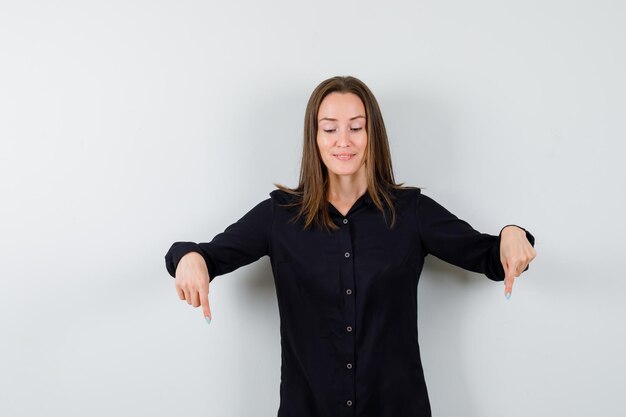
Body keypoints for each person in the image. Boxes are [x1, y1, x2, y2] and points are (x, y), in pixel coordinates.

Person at [164, 75, 537, 417]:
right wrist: (189, 258)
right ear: (315, 137)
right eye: (330, 129)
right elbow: (202, 255)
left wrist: (512, 234)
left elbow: (489, 255)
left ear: (373, 134)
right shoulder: (279, 216)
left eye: (356, 127)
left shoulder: (411, 213)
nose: (344, 141)